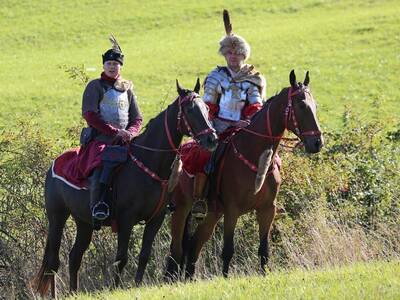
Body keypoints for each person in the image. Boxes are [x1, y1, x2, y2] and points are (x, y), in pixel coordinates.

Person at [191, 10, 266, 218]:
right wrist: (225, 123)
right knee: (205, 155)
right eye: (230, 53)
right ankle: (200, 199)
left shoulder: (251, 78)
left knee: (268, 155)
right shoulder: (216, 76)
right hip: (218, 126)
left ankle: (265, 197)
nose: (233, 57)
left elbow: (255, 105)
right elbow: (208, 107)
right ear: (225, 55)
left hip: (244, 129)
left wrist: (248, 121)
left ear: (244, 55)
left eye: (238, 53)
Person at [81, 35, 142, 225]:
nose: (112, 66)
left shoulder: (127, 89)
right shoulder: (95, 86)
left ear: (120, 67)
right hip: (101, 140)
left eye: (115, 64)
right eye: (108, 63)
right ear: (103, 65)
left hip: (125, 141)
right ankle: (97, 206)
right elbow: (90, 115)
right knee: (101, 164)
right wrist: (114, 132)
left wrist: (130, 133)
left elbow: (137, 118)